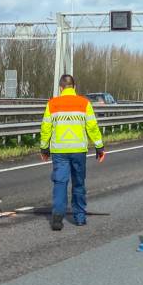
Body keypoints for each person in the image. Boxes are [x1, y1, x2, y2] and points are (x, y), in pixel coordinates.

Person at [39, 74, 105, 231]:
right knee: (79, 183)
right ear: (74, 88)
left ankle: (57, 219)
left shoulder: (52, 104)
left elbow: (46, 127)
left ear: (61, 88)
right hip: (78, 151)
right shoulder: (84, 103)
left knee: (60, 183)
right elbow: (92, 127)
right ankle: (80, 218)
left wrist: (44, 147)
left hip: (59, 151)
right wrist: (99, 146)